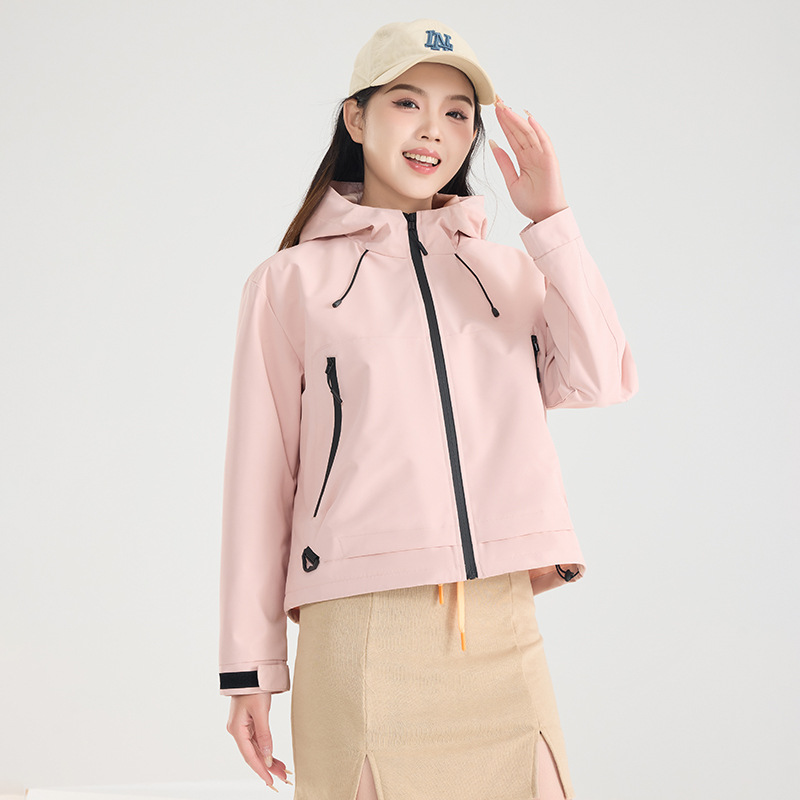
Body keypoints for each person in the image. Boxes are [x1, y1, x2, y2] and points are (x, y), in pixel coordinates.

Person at [218, 17, 638, 800]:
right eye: (407, 103)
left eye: (457, 113)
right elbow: (259, 481)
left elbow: (601, 376)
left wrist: (551, 221)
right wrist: (251, 669)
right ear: (356, 117)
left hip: (501, 620)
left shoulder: (507, 273)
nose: (433, 131)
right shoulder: (291, 284)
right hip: (361, 625)